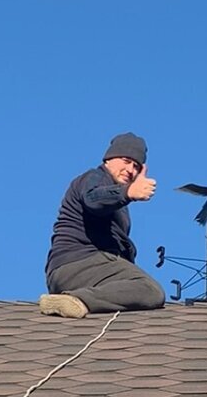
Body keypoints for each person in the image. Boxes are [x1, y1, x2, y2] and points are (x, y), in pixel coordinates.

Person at [40, 132, 167, 318]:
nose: (130, 169)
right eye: (126, 160)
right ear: (109, 159)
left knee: (136, 288)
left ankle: (77, 301)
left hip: (77, 272)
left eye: (136, 166)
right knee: (150, 290)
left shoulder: (119, 205)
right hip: (79, 263)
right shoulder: (94, 178)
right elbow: (93, 199)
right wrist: (128, 192)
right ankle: (76, 300)